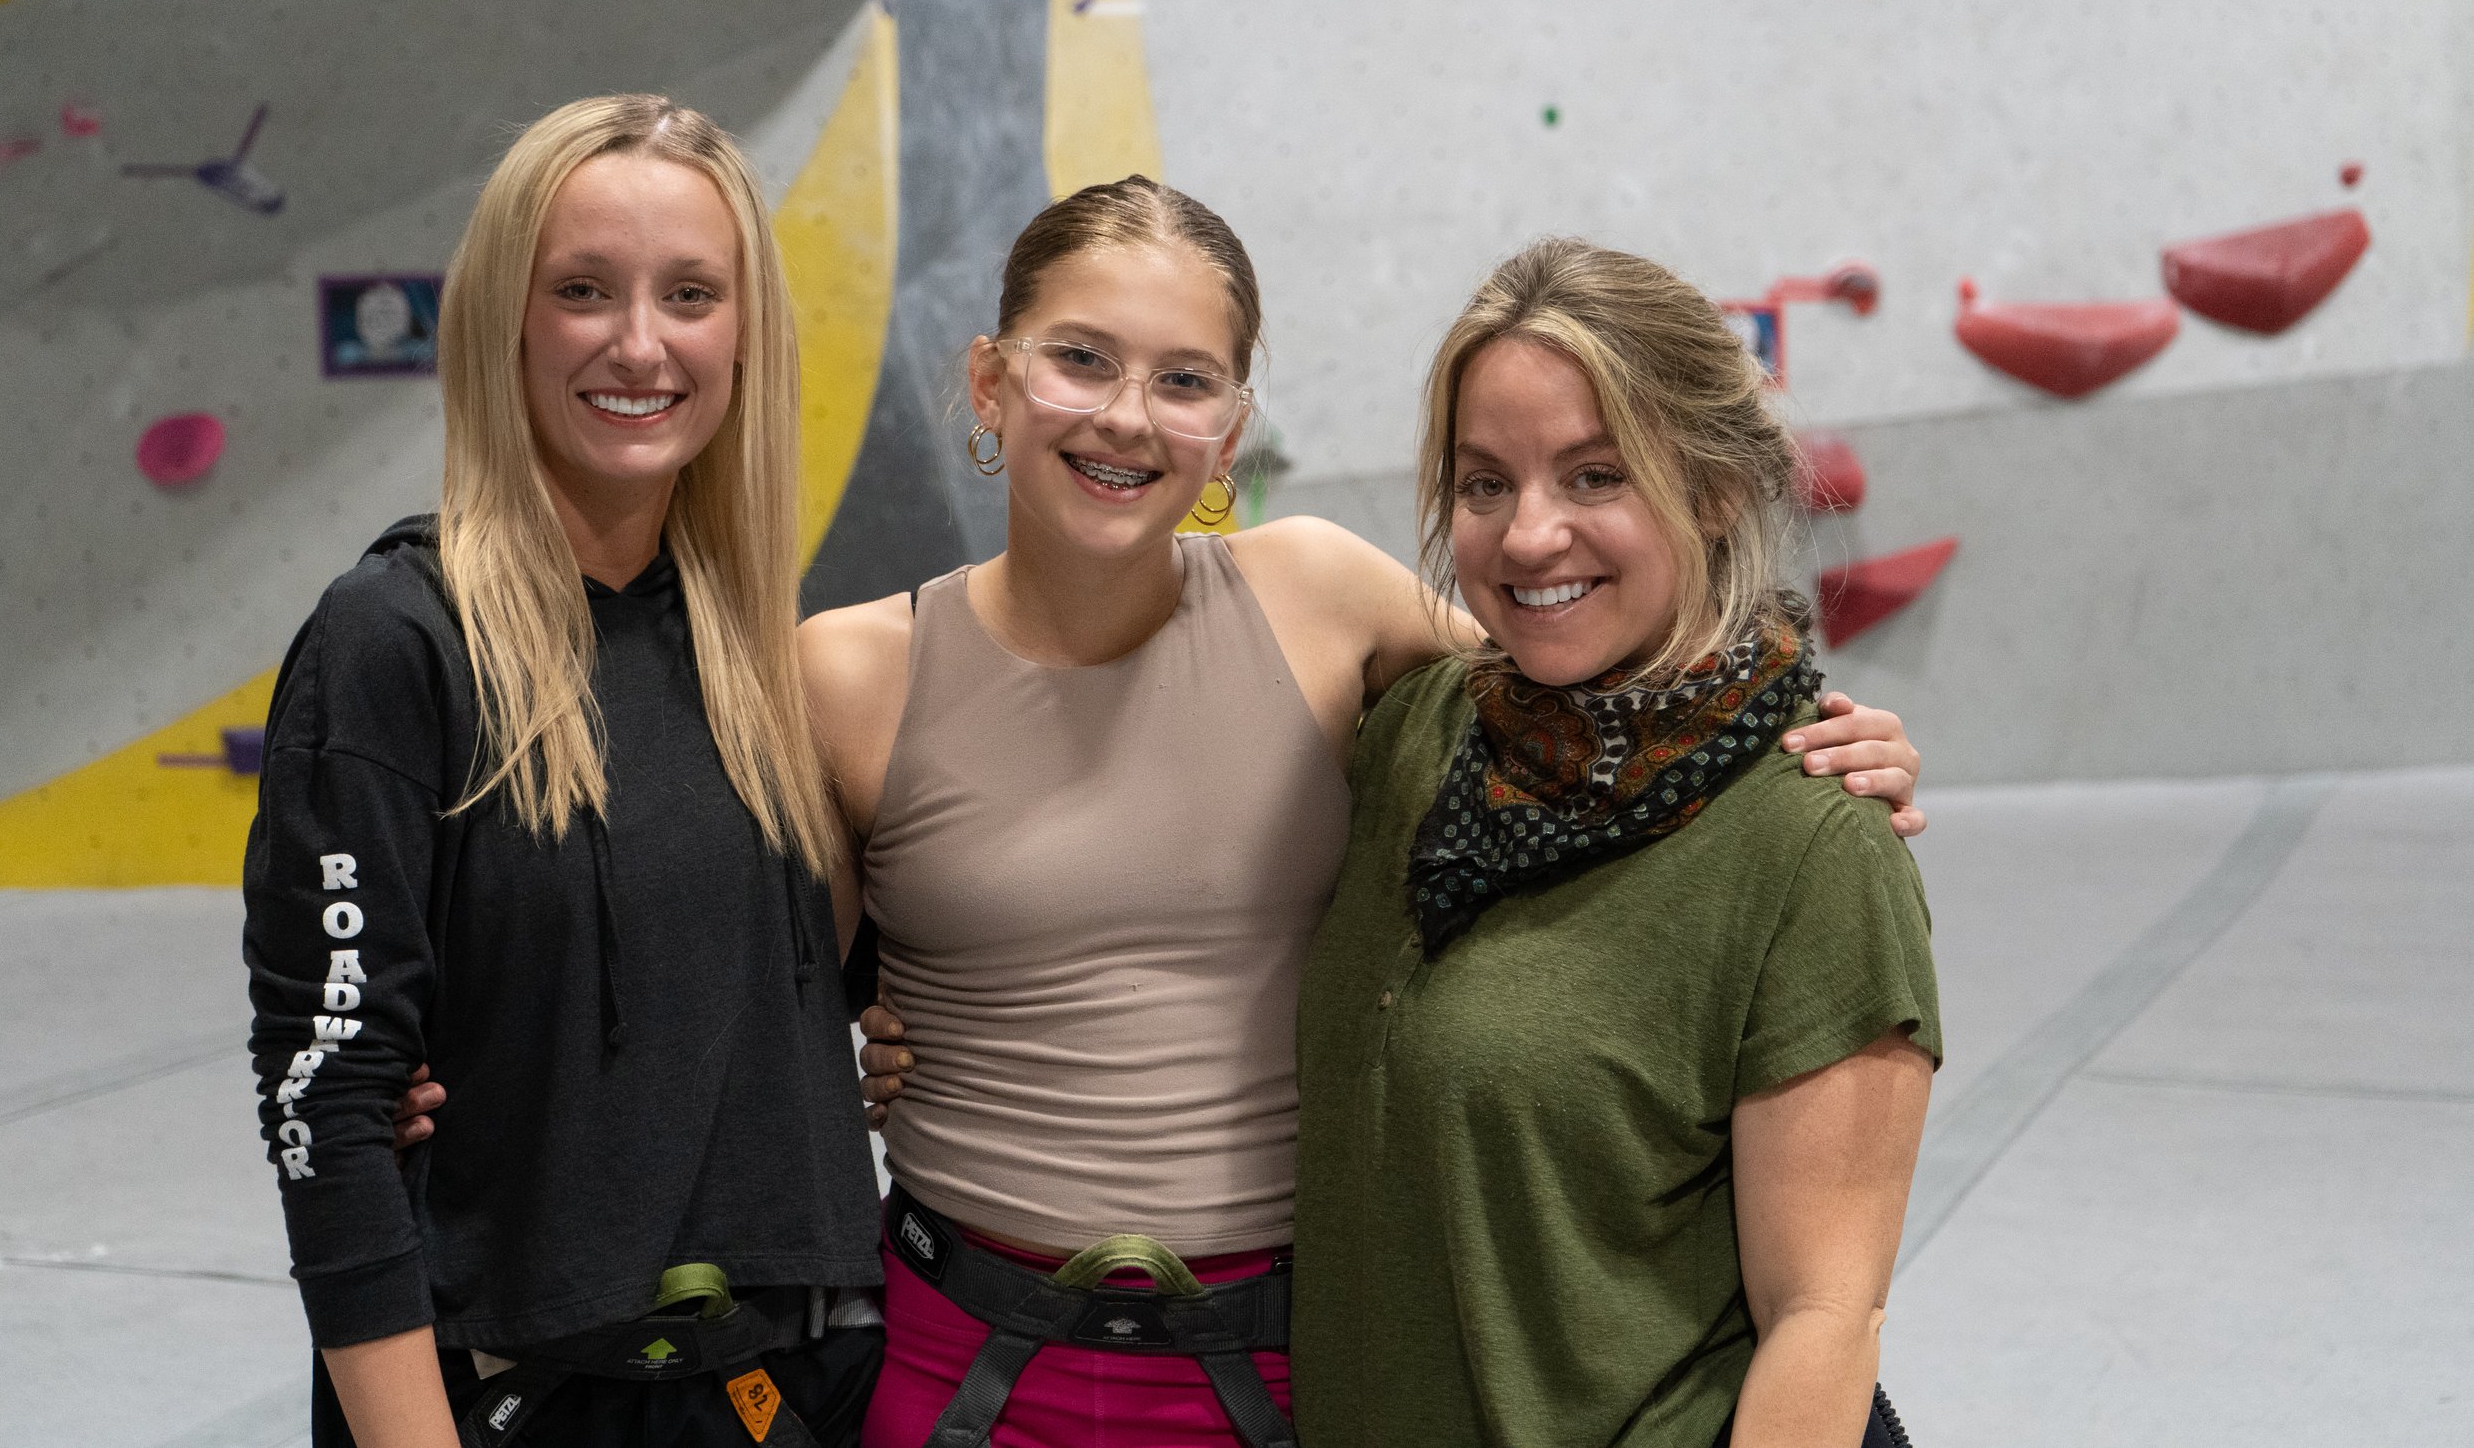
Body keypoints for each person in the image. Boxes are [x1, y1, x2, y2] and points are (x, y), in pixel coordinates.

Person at [802, 178, 1928, 1448]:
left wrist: (1799, 745)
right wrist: (879, 1010)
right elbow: (763, 996)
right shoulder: (847, 675)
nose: (1126, 415)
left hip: (1278, 1366)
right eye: (1079, 358)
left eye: (1184, 379)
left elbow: (1575, 669)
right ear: (990, 380)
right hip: (967, 1342)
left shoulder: (1322, 604)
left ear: (1232, 432)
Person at [242, 95, 883, 1448]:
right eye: (582, 289)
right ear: (503, 322)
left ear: (744, 331)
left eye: (690, 293)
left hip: (774, 1386)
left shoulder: (752, 652)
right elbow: (330, 1106)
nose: (638, 342)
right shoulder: (394, 643)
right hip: (513, 1393)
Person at [1290, 239, 1941, 1448]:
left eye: (1595, 476)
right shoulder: (1418, 735)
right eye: (1484, 484)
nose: (1529, 536)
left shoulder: (1808, 834)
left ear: (1713, 486)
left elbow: (1823, 1315)